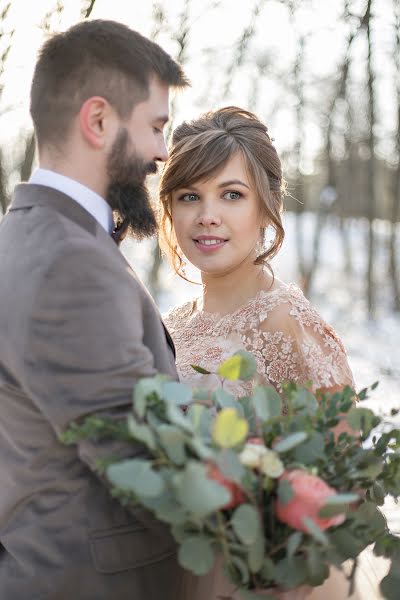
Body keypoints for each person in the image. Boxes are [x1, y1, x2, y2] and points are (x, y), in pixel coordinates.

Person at [160, 106, 388, 599]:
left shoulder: (290, 324)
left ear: (266, 206)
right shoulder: (171, 326)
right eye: (189, 196)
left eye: (232, 195)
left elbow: (344, 492)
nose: (207, 216)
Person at [0, 19, 189, 600]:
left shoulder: (24, 236)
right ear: (99, 120)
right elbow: (146, 459)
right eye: (156, 126)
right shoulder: (71, 264)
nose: (163, 151)